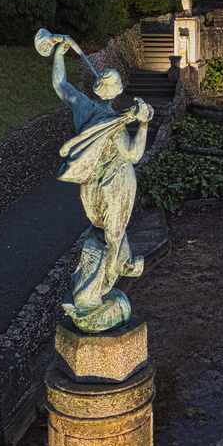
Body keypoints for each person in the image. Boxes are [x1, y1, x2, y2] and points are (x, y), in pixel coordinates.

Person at [41, 32, 154, 332]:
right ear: (116, 92)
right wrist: (143, 124)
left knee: (99, 232)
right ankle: (106, 280)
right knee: (112, 238)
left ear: (96, 89)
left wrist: (59, 54)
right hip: (116, 185)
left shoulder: (84, 108)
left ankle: (101, 280)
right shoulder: (115, 125)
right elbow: (133, 155)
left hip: (90, 187)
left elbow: (59, 85)